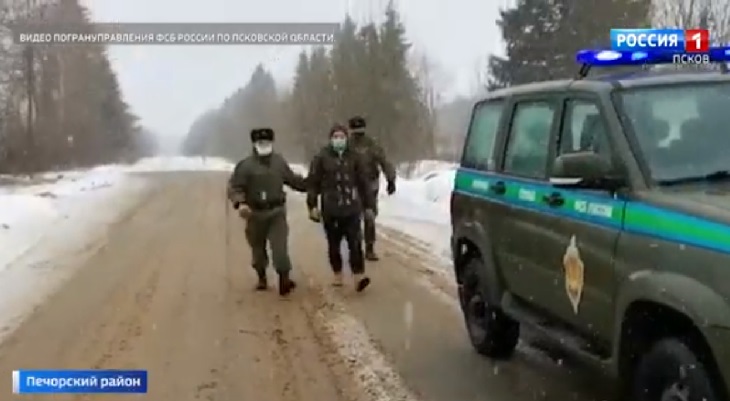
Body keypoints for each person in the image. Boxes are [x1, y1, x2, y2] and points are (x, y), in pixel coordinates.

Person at [227, 127, 308, 296]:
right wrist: (240, 203)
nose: (264, 145)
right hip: (254, 214)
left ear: (272, 143)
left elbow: (293, 181)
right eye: (260, 142)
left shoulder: (279, 162)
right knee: (257, 250)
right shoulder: (245, 166)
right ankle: (261, 277)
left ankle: (284, 278)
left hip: (276, 212)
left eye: (267, 142)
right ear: (255, 144)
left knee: (280, 249)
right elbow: (235, 187)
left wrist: (312, 183)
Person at [306, 124, 375, 291]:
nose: (339, 140)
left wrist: (369, 206)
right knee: (334, 244)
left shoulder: (355, 157)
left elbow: (364, 182)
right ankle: (337, 272)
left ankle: (358, 275)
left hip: (351, 208)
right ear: (331, 139)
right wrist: (312, 205)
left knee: (355, 243)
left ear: (346, 138)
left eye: (342, 137)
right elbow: (313, 183)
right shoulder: (321, 157)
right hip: (331, 209)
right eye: (336, 137)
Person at [347, 116, 396, 261]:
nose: (358, 134)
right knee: (354, 217)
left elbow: (384, 161)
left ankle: (369, 248)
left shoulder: (372, 144)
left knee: (369, 216)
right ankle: (356, 247)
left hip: (370, 185)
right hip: (352, 185)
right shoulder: (347, 145)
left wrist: (391, 179)